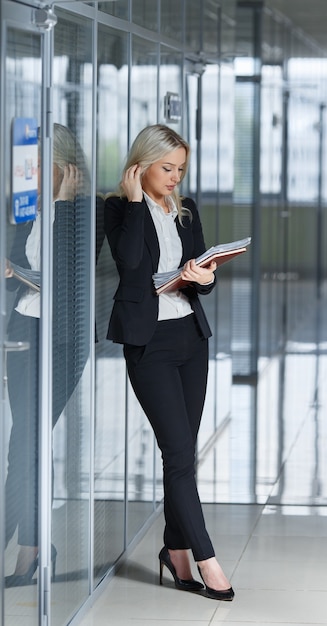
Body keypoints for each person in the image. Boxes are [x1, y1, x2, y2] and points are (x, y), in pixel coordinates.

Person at [104, 124, 234, 601]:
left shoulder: (187, 210)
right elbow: (131, 263)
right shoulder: (118, 208)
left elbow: (203, 278)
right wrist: (136, 201)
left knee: (184, 455)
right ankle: (207, 561)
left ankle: (175, 550)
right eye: (167, 168)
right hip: (149, 343)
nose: (176, 177)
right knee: (177, 454)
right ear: (141, 165)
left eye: (181, 168)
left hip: (189, 338)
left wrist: (203, 276)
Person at [4, 123, 98, 587]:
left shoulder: (85, 213)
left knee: (28, 442)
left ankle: (23, 551)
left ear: (65, 167)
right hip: (22, 331)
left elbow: (65, 281)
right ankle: (32, 550)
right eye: (30, 164)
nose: (33, 172)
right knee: (24, 443)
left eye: (42, 164)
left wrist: (61, 205)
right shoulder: (22, 210)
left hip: (63, 339)